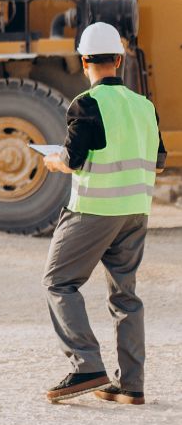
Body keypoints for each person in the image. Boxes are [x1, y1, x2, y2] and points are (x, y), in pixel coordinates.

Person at [42, 22, 166, 405]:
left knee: (59, 282)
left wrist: (53, 160)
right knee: (125, 296)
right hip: (136, 212)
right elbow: (159, 162)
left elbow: (73, 160)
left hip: (94, 209)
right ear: (119, 60)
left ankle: (86, 365)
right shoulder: (144, 106)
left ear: (84, 62)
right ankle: (131, 385)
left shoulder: (86, 104)